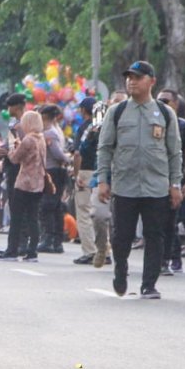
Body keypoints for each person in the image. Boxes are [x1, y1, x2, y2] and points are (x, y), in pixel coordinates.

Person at [95, 61, 182, 299]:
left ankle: (149, 284)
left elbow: (175, 152)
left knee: (155, 236)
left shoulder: (165, 113)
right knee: (122, 235)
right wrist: (103, 180)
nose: (131, 81)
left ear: (151, 81)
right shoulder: (117, 111)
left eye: (138, 77)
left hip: (156, 187)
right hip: (125, 186)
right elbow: (105, 149)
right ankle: (120, 269)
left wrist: (175, 184)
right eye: (129, 77)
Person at [157, 89, 185, 274]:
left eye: (166, 101)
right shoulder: (154, 124)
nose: (162, 104)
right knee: (169, 222)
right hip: (161, 181)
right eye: (159, 101)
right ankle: (171, 258)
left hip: (184, 180)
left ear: (176, 104)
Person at [0, 110, 46, 263]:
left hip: (24, 182)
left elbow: (15, 159)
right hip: (38, 183)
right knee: (33, 218)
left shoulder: (28, 140)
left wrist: (11, 148)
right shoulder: (41, 139)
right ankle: (32, 252)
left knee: (17, 218)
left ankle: (12, 250)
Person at [39, 104, 71, 254]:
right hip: (54, 170)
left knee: (48, 206)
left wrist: (66, 159)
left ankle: (50, 239)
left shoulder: (49, 133)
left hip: (53, 171)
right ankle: (56, 241)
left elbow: (57, 153)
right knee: (55, 207)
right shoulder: (51, 131)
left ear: (45, 116)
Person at [70, 98, 99, 265]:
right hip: (101, 172)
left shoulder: (85, 129)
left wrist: (76, 175)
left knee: (84, 212)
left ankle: (90, 251)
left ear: (83, 110)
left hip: (86, 171)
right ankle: (104, 249)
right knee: (100, 213)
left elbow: (77, 154)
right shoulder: (103, 127)